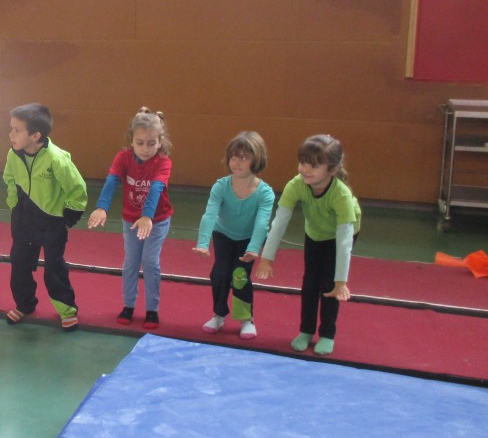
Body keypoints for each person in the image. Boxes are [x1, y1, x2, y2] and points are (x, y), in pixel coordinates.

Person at [256, 134, 361, 356]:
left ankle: (327, 334)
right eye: (302, 162)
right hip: (315, 233)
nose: (305, 169)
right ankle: (306, 330)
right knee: (310, 283)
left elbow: (344, 242)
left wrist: (341, 282)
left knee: (329, 285)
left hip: (341, 235)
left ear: (332, 170)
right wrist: (267, 258)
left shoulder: (341, 195)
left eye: (313, 165)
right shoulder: (296, 186)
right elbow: (279, 223)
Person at [4, 103, 87, 332]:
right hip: (23, 220)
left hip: (51, 223)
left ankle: (67, 310)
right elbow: (9, 178)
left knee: (54, 267)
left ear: (35, 135)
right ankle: (25, 304)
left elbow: (77, 189)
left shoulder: (56, 158)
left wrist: (69, 217)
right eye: (11, 129)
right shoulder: (13, 154)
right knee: (19, 263)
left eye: (16, 130)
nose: (10, 135)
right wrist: (14, 204)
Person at [87, 108, 173, 330]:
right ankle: (128, 306)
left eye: (151, 143)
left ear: (160, 142)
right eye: (140, 143)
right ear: (131, 141)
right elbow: (112, 181)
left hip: (157, 220)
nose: (145, 149)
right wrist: (102, 207)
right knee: (131, 261)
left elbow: (156, 188)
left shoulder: (163, 162)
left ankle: (152, 310)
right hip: (131, 220)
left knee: (150, 261)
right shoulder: (123, 157)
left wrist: (147, 216)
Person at [193, 131, 274, 340]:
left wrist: (254, 248)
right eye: (234, 157)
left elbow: (262, 223)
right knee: (219, 274)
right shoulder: (221, 186)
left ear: (257, 160)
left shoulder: (265, 193)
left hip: (248, 239)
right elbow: (210, 214)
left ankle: (246, 318)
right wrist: (203, 242)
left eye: (244, 158)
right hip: (224, 235)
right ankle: (219, 314)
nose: (237, 162)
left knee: (239, 277)